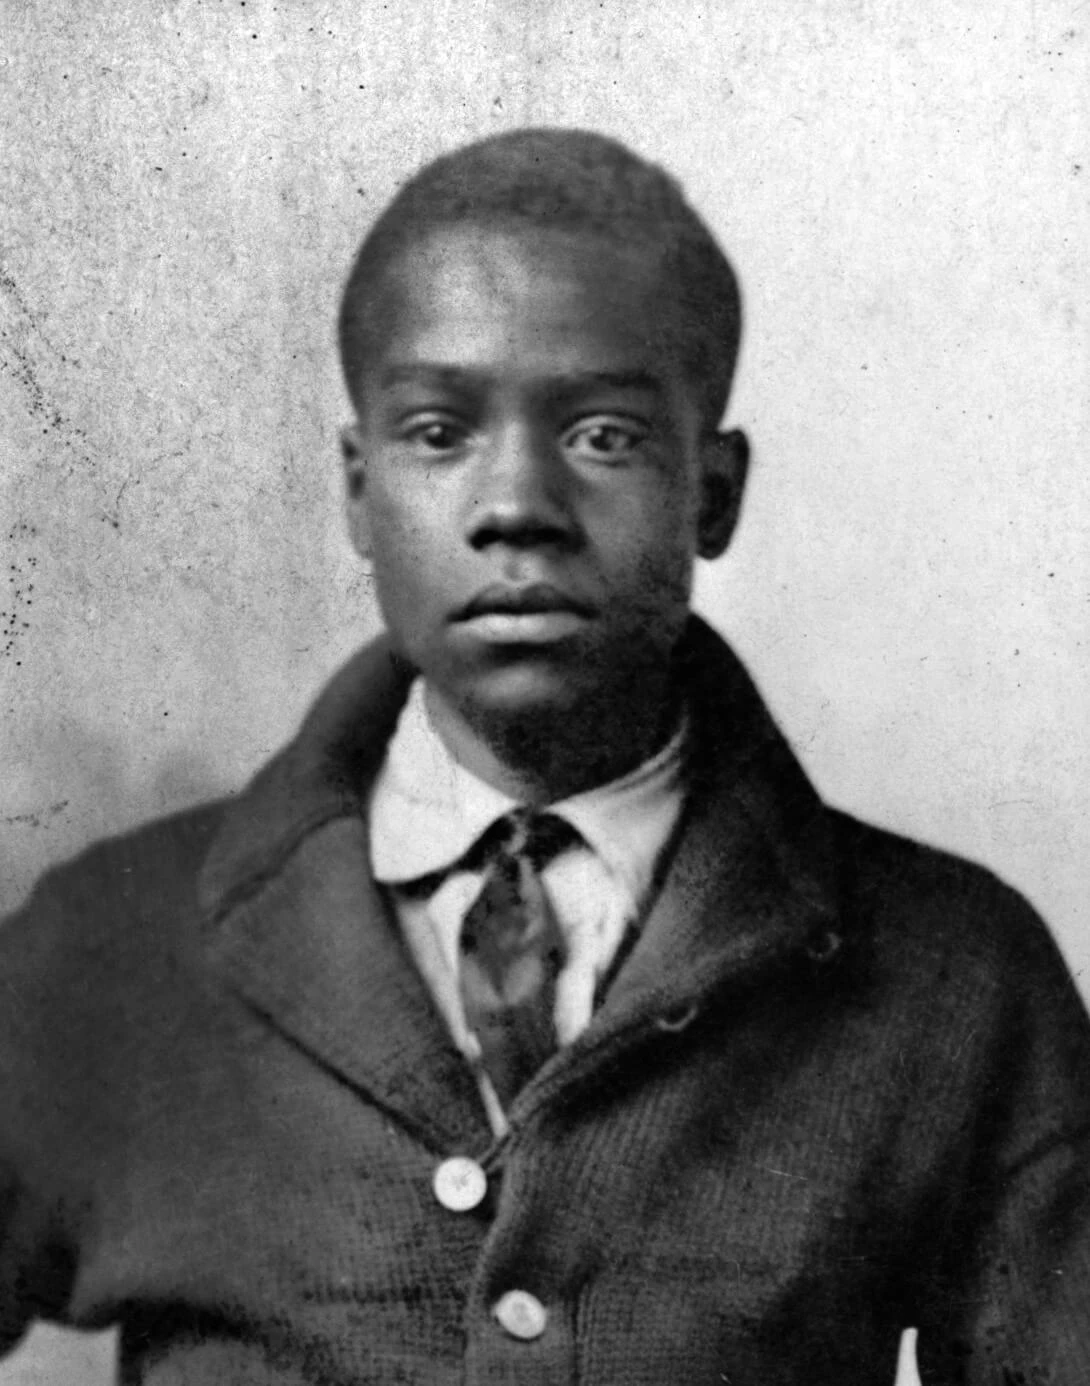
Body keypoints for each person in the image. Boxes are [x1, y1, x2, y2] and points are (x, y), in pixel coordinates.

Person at [1, 127, 1087, 1386]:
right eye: (435, 431)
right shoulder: (117, 948)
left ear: (713, 492)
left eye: (605, 435)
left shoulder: (953, 974)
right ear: (358, 491)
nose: (515, 503)